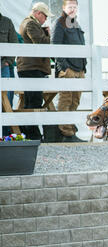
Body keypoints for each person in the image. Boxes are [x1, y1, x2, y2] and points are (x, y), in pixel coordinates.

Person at [17, 2, 54, 141]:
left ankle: (31, 133)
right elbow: (40, 43)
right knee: (33, 102)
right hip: (31, 68)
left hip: (30, 67)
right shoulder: (31, 24)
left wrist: (43, 32)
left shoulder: (29, 23)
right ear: (38, 13)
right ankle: (33, 134)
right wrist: (48, 34)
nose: (45, 19)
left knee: (32, 100)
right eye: (45, 16)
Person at [51, 0, 87, 143]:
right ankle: (65, 133)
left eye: (74, 7)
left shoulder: (75, 23)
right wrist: (64, 67)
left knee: (75, 101)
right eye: (70, 7)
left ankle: (70, 130)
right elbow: (55, 46)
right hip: (68, 69)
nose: (72, 10)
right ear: (64, 8)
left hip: (79, 69)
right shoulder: (59, 23)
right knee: (66, 100)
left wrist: (84, 66)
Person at [0, 11, 18, 137]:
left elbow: (14, 43)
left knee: (6, 102)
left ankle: (5, 136)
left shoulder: (7, 22)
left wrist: (8, 62)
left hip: (3, 66)